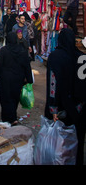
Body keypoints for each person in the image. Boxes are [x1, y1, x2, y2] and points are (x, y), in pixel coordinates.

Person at [44, 28, 86, 165]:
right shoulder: (81, 57)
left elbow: (53, 82)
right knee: (78, 140)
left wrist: (53, 108)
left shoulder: (56, 57)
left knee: (60, 143)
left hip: (62, 108)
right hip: (79, 108)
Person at [0, 32, 33, 125]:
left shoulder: (4, 50)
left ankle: (7, 118)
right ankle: (13, 116)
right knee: (15, 97)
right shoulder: (22, 51)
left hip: (5, 78)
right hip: (18, 78)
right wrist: (29, 79)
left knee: (5, 97)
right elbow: (27, 65)